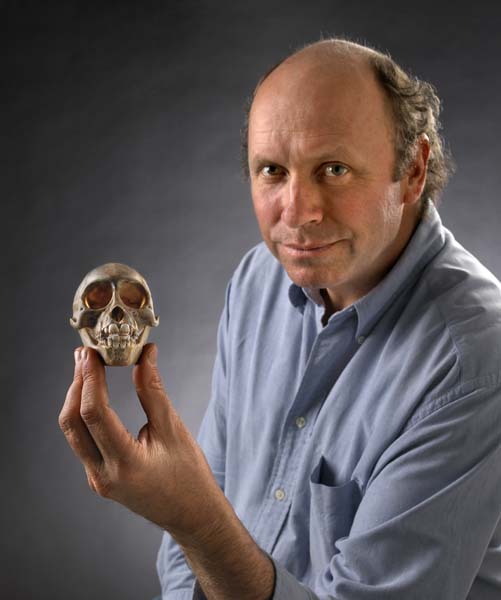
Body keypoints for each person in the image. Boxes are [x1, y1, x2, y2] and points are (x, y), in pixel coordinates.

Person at [59, 38, 501, 599]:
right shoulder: (258, 282)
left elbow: (200, 515)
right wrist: (191, 520)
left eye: (334, 169)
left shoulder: (475, 363)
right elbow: (204, 503)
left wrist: (193, 520)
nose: (297, 214)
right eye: (272, 170)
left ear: (413, 170)